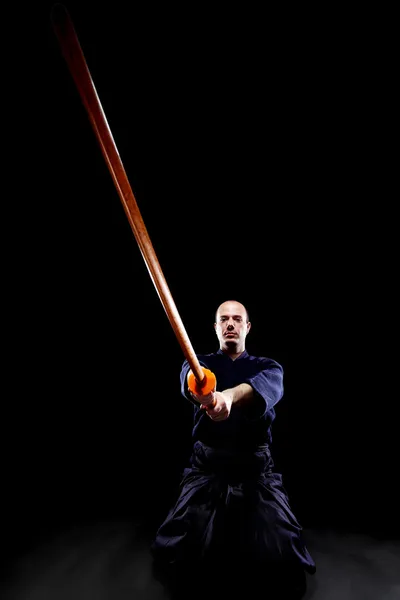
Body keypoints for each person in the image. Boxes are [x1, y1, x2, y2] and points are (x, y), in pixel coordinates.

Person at [150, 300, 316, 599]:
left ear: (247, 327)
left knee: (282, 544)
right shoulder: (198, 362)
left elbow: (260, 388)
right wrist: (205, 392)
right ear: (215, 327)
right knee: (178, 546)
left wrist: (227, 397)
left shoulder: (269, 367)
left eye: (237, 319)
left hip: (256, 471)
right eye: (223, 319)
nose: (230, 324)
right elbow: (192, 380)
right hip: (207, 468)